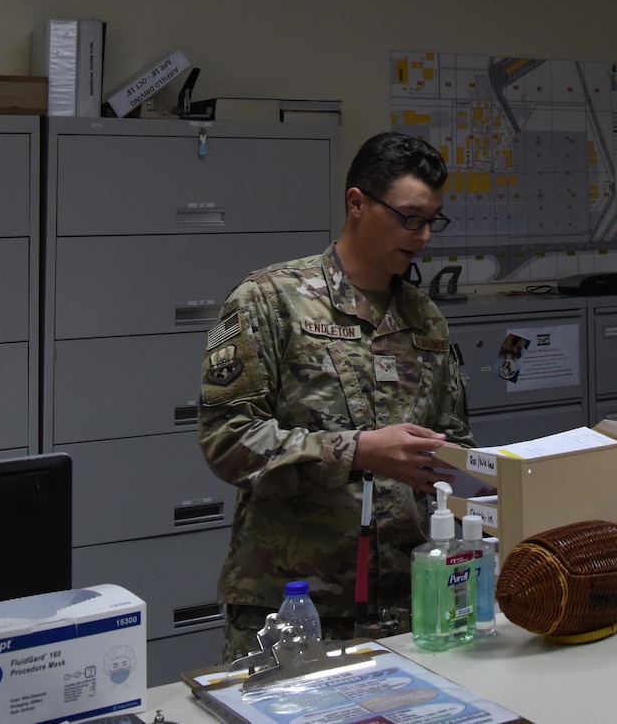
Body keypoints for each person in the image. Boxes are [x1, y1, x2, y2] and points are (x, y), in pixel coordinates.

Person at [199, 131, 473, 656]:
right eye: (409, 217)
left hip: (409, 601)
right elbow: (226, 441)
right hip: (296, 601)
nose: (423, 237)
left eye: (432, 220)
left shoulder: (424, 318)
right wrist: (358, 451)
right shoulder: (268, 299)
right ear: (357, 204)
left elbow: (452, 442)